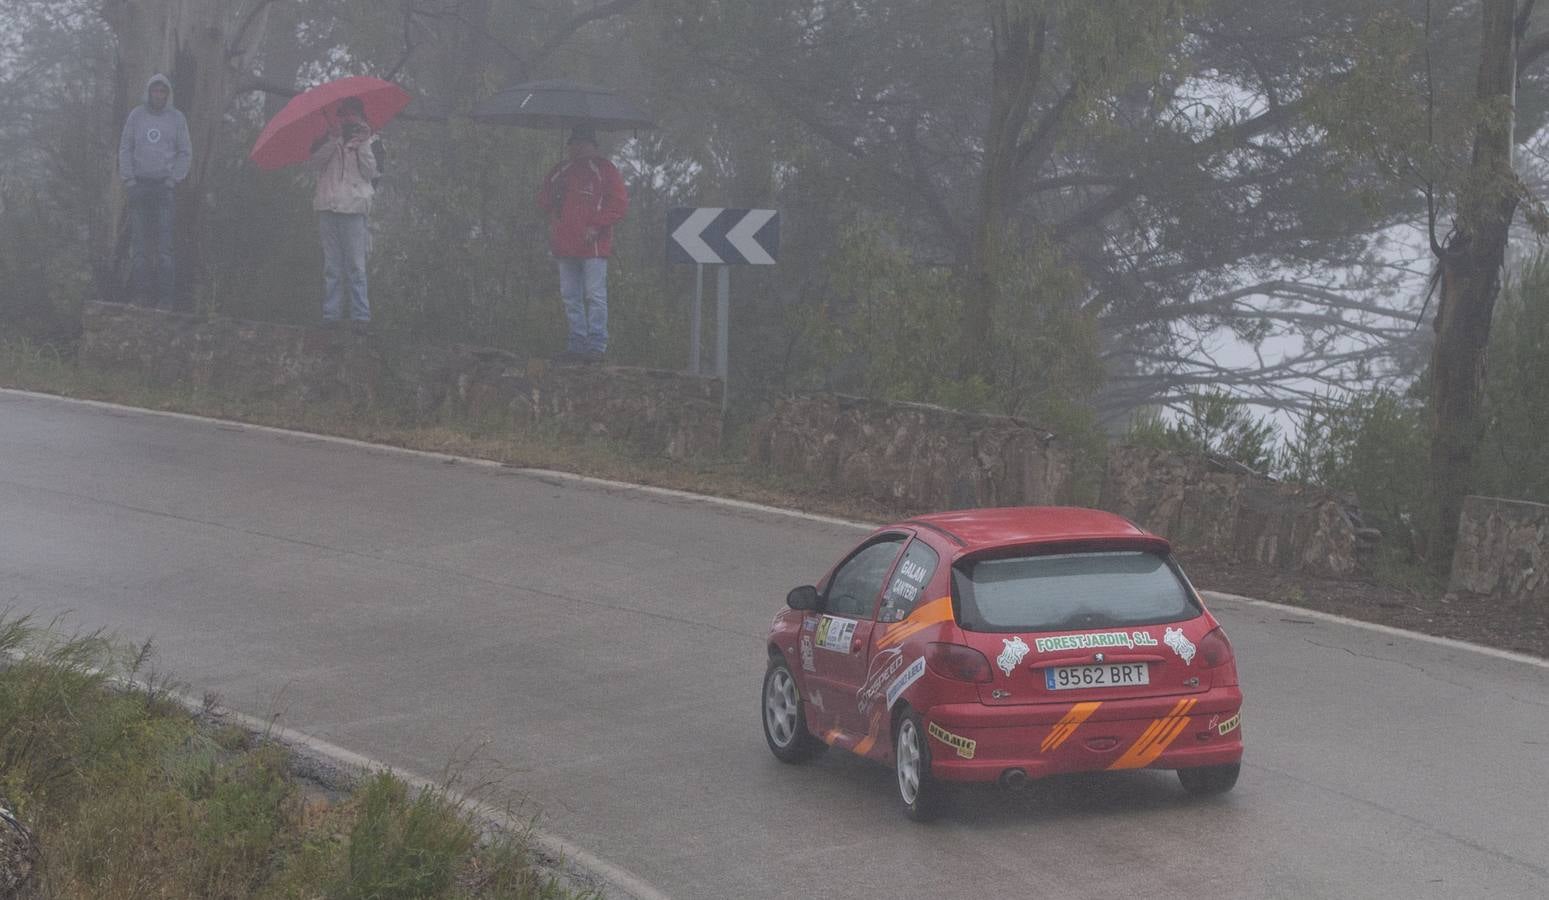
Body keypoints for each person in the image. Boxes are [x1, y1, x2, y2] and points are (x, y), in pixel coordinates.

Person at [537, 123, 630, 364]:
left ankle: (597, 345)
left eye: (581, 144)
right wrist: (553, 217)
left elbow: (618, 205)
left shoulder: (605, 170)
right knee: (570, 295)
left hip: (593, 247)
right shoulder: (560, 171)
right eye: (573, 144)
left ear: (592, 146)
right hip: (564, 245)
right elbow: (545, 199)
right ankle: (577, 343)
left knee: (594, 294)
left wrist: (596, 225)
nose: (576, 149)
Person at [117, 73, 191, 309]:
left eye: (163, 91)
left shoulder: (177, 119)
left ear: (167, 94)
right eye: (155, 91)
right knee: (139, 247)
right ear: (149, 93)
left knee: (165, 248)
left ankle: (165, 300)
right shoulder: (136, 116)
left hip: (164, 189)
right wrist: (129, 180)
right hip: (139, 187)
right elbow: (126, 148)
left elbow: (185, 152)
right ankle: (141, 296)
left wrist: (174, 179)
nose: (158, 95)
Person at [308, 97, 379, 330]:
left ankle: (361, 317)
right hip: (328, 207)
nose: (348, 119)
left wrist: (364, 143)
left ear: (361, 116)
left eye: (352, 114)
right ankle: (332, 316)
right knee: (332, 266)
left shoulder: (372, 141)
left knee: (356, 266)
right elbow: (315, 163)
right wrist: (333, 138)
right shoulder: (327, 139)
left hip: (354, 209)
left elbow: (371, 173)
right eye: (344, 114)